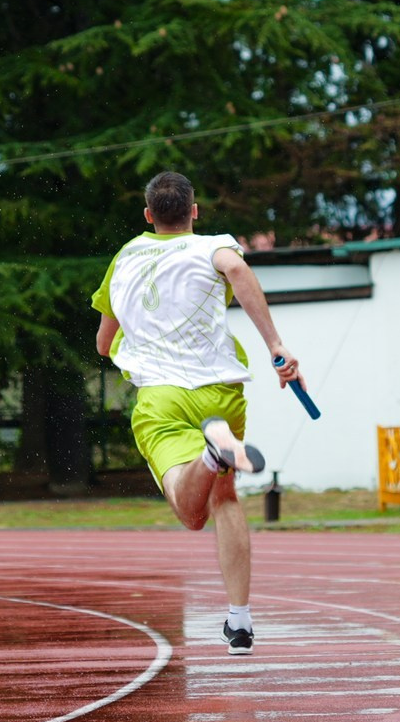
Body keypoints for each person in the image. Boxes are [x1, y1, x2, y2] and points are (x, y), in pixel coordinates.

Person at [92, 171, 301, 653]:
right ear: (194, 211)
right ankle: (240, 621)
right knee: (225, 498)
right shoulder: (214, 246)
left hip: (163, 397)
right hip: (221, 392)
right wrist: (275, 347)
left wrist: (132, 337)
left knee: (190, 514)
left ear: (148, 216)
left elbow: (104, 345)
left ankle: (211, 455)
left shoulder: (125, 256)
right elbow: (239, 271)